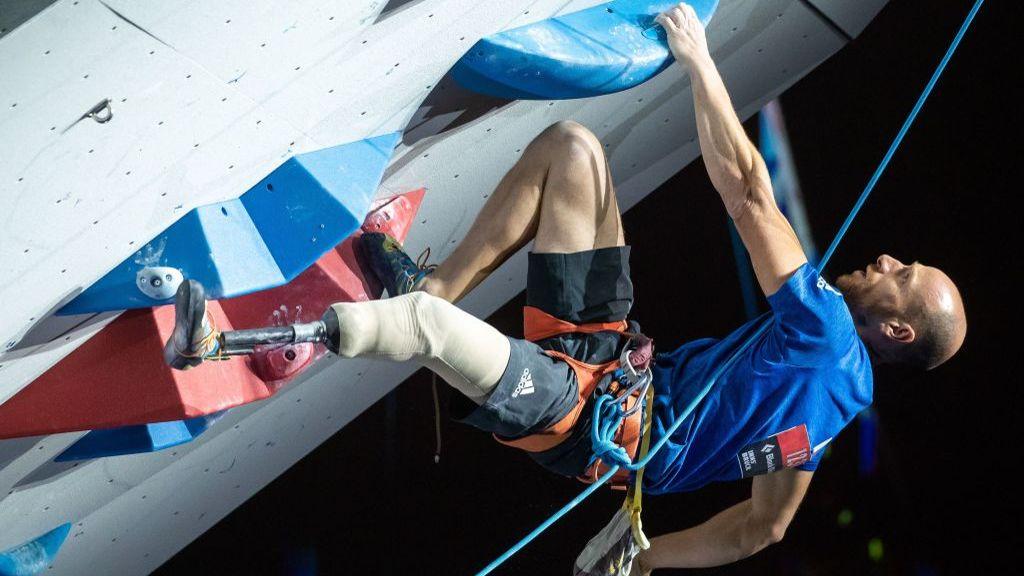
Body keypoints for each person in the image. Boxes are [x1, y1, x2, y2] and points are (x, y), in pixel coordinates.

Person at [166, 3, 967, 572]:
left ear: (896, 331)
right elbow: (762, 530)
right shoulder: (824, 426)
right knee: (571, 150)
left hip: (583, 421)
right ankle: (438, 285)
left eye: (904, 278)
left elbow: (750, 191)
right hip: (614, 357)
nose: (888, 261)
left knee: (421, 332)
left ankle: (228, 342)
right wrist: (650, 561)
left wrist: (698, 58)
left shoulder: (827, 328)